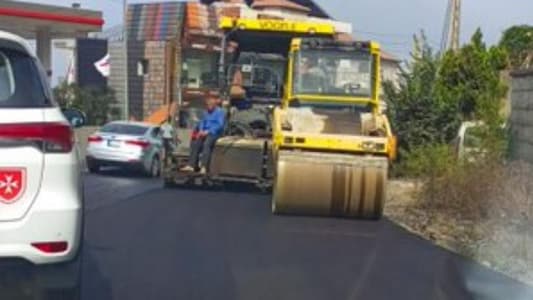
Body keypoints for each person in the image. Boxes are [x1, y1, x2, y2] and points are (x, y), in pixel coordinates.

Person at [180, 94, 225, 174]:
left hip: (214, 133)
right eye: (207, 105)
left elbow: (219, 125)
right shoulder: (206, 112)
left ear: (214, 105)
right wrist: (201, 131)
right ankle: (191, 165)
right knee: (196, 142)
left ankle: (204, 166)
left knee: (207, 144)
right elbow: (202, 122)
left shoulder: (219, 112)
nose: (209, 107)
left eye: (210, 105)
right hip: (204, 132)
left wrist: (208, 131)